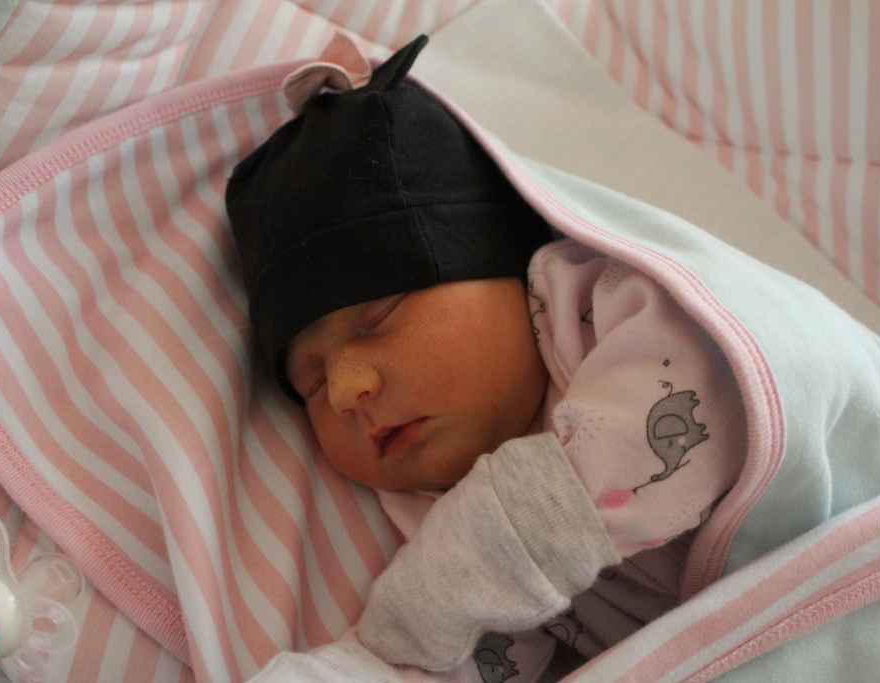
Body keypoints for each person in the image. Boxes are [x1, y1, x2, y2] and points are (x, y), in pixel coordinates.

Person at [226, 34, 746, 683]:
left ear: (508, 267)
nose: (345, 389)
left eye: (378, 316)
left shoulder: (625, 312)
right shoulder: (436, 525)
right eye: (309, 382)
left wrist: (414, 618)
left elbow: (714, 390)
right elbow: (453, 656)